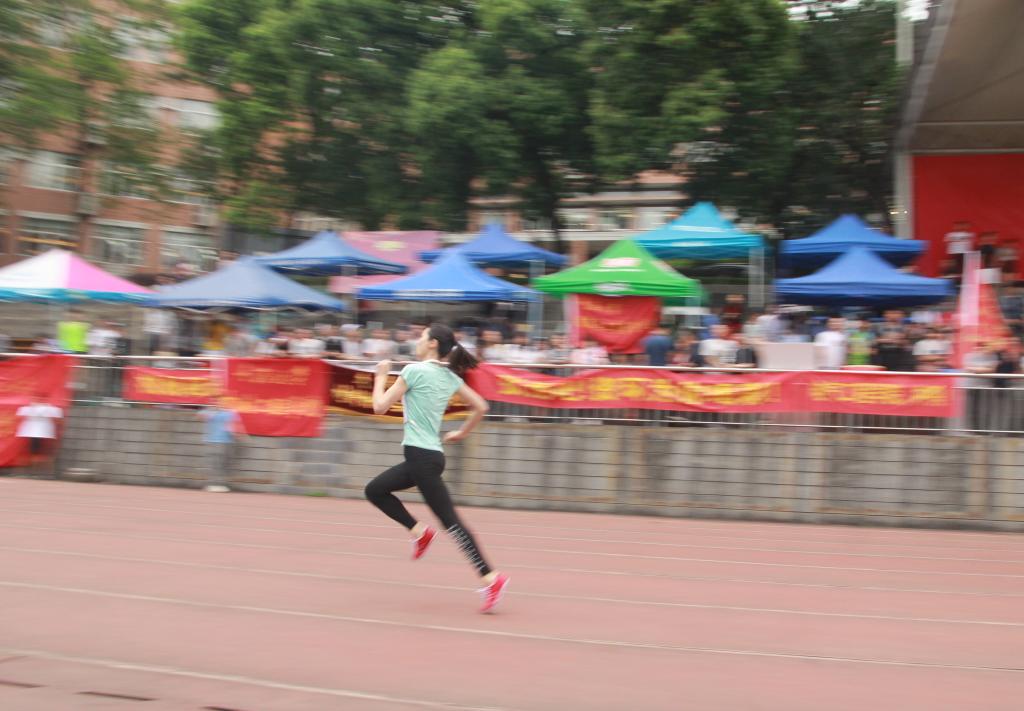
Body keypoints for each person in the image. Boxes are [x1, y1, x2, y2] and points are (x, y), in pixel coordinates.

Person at [364, 323, 508, 613]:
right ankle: (420, 531)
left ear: (432, 344)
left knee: (451, 522)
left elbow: (379, 406)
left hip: (421, 459)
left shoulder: (413, 371)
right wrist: (462, 433)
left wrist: (380, 376)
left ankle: (491, 578)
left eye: (421, 337)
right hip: (428, 458)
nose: (417, 341)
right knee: (375, 490)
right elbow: (481, 406)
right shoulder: (449, 376)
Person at [199, 401, 245, 493]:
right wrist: (213, 410)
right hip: (214, 441)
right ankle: (215, 484)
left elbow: (236, 426)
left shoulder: (231, 412)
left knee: (222, 464)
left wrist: (238, 434)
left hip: (224, 441)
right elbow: (201, 416)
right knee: (216, 463)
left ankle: (220, 484)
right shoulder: (212, 410)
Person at [16, 392, 63, 477]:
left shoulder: (51, 409)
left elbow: (58, 421)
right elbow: (19, 418)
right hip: (31, 433)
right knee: (31, 452)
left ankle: (42, 472)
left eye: (39, 398)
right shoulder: (28, 408)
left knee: (43, 453)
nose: (37, 399)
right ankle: (31, 471)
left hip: (44, 433)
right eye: (35, 397)